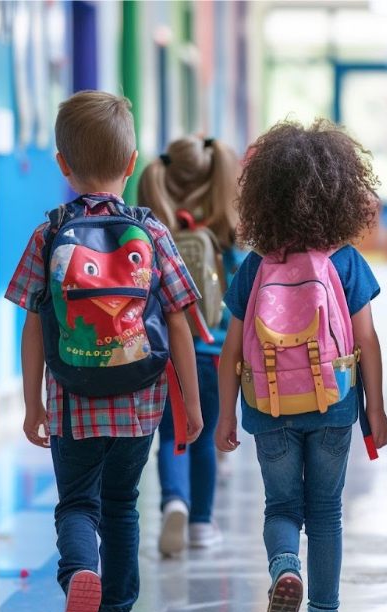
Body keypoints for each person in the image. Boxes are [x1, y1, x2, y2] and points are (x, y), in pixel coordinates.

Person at [5, 91, 204, 612]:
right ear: (133, 160)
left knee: (76, 506)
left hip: (72, 403)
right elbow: (182, 324)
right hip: (140, 404)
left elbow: (34, 328)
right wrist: (190, 404)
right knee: (121, 505)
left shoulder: (49, 236)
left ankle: (80, 574)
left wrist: (31, 405)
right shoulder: (153, 232)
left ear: (63, 165)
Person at [214, 119, 387, 612]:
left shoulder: (255, 265)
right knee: (326, 513)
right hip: (334, 404)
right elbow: (367, 340)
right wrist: (375, 411)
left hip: (268, 406)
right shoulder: (345, 260)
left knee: (282, 506)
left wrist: (226, 416)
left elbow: (230, 349)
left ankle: (284, 568)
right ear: (339, 191)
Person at [137, 135, 243, 555]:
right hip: (214, 355)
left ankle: (173, 502)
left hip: (163, 356)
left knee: (171, 435)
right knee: (204, 436)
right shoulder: (227, 236)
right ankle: (201, 522)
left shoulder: (153, 236)